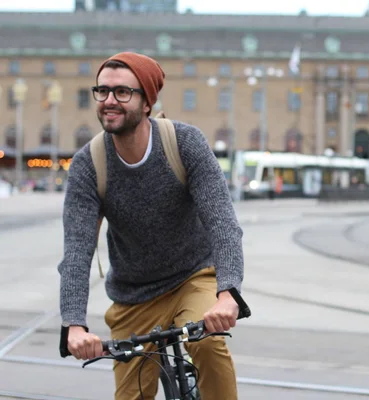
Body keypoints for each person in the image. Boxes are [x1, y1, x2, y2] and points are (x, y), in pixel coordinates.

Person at [57, 52, 245, 400]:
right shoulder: (89, 164)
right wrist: (74, 324)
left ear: (147, 102)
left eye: (122, 93)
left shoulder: (184, 143)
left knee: (208, 344)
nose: (109, 101)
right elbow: (77, 252)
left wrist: (227, 293)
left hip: (193, 276)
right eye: (102, 91)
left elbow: (222, 224)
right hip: (133, 296)